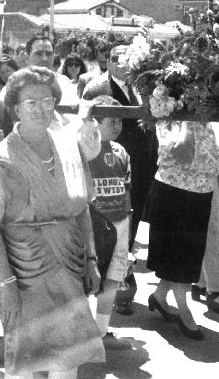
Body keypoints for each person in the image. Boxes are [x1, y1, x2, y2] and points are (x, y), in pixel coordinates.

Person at [0, 66, 105, 378]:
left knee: (68, 356)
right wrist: (4, 282)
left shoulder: (69, 146)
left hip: (70, 263)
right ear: (15, 108)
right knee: (28, 359)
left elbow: (82, 210)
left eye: (47, 101)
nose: (40, 109)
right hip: (24, 271)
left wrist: (90, 259)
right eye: (31, 103)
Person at [146, 121, 219, 340]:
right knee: (176, 256)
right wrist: (189, 123)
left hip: (202, 196)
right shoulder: (173, 118)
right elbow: (178, 151)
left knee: (188, 257)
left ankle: (159, 296)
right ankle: (184, 312)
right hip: (171, 191)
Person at [83, 43, 159, 315]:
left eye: (127, 59)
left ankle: (120, 283)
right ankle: (114, 291)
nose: (122, 64)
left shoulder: (142, 85)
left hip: (138, 168)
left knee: (130, 227)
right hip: (107, 171)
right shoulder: (97, 88)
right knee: (107, 235)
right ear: (107, 60)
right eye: (116, 58)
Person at [87, 95, 133, 350]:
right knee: (88, 279)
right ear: (95, 122)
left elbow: (127, 190)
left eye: (120, 121)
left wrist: (129, 220)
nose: (117, 127)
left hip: (119, 223)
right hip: (95, 225)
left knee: (113, 279)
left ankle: (101, 330)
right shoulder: (85, 150)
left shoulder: (122, 152)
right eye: (111, 121)